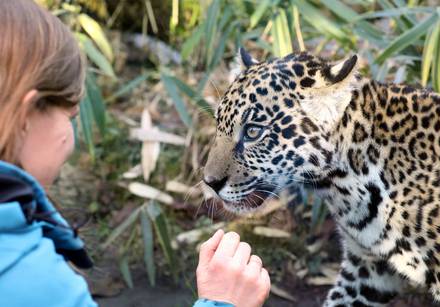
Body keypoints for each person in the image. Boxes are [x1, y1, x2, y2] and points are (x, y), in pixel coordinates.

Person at [0, 1, 270, 307]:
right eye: (72, 116)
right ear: (27, 116)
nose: (74, 136)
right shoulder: (36, 281)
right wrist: (223, 303)